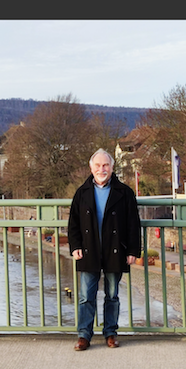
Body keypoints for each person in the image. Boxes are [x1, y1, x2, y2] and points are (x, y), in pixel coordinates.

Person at [67, 149, 141, 351]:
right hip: (89, 250)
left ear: (112, 167)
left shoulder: (124, 192)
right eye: (98, 166)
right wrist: (75, 247)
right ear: (91, 168)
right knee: (85, 296)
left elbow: (134, 224)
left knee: (112, 296)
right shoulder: (81, 193)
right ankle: (84, 335)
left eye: (105, 165)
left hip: (115, 250)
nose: (102, 169)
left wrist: (133, 250)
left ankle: (110, 333)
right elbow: (73, 223)